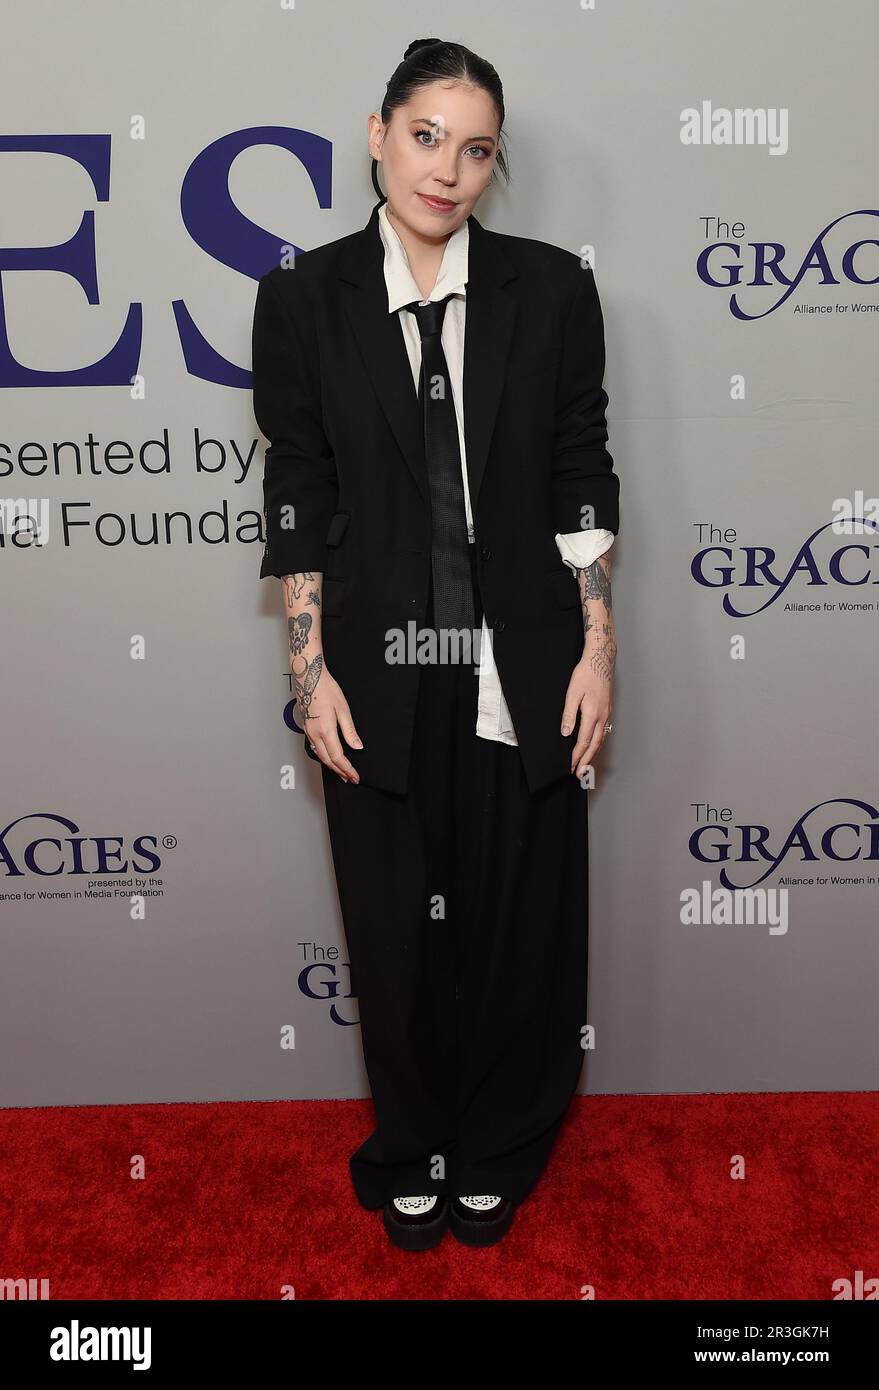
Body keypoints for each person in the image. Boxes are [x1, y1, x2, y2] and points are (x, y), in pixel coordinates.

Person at [252, 37, 619, 1251]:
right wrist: (308, 669)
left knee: (521, 920)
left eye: (475, 150)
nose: (447, 170)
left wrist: (598, 645)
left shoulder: (553, 289)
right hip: (377, 665)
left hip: (524, 655)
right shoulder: (305, 296)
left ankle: (504, 1137)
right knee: (396, 924)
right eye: (425, 137)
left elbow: (581, 474)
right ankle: (410, 1139)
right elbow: (299, 484)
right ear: (376, 131)